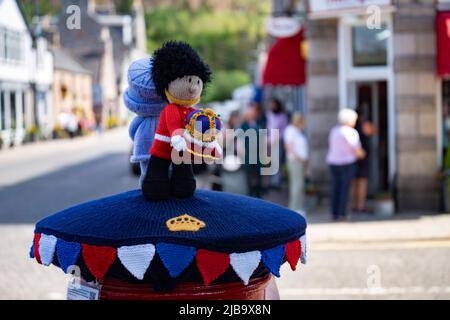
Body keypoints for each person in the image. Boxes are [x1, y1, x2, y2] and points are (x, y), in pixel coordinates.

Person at [327, 108, 366, 221]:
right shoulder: (351, 132)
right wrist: (363, 154)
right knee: (344, 188)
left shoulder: (334, 130)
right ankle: (342, 213)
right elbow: (357, 150)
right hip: (346, 163)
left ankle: (334, 213)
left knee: (335, 187)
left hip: (333, 162)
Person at [351, 108, 377, 213]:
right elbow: (374, 132)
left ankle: (352, 205)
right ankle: (361, 206)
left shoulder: (351, 127)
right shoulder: (364, 125)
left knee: (353, 183)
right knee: (362, 183)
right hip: (363, 156)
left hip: (352, 157)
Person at [284, 113, 309, 216]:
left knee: (300, 185)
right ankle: (295, 208)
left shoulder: (298, 131)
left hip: (301, 161)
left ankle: (299, 206)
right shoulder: (290, 130)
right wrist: (299, 157)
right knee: (296, 185)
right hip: (295, 161)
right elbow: (288, 146)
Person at [240, 102, 266, 198]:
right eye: (251, 111)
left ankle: (259, 195)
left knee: (259, 176)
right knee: (249, 178)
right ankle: (250, 196)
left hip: (259, 155)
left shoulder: (259, 123)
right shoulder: (244, 125)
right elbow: (240, 141)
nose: (252, 113)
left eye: (254, 111)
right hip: (248, 155)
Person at [266, 98, 289, 189]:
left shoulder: (283, 117)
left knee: (277, 162)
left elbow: (284, 130)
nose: (273, 107)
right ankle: (270, 181)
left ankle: (276, 181)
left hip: (277, 141)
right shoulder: (269, 115)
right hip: (268, 141)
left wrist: (279, 138)